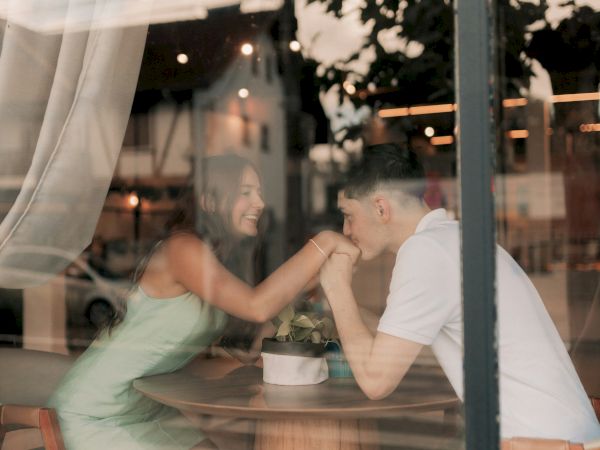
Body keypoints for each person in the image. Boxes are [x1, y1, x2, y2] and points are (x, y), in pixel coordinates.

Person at [48, 154, 358, 450]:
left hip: (147, 406)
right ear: (208, 201)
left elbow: (247, 338)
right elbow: (257, 305)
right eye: (245, 192)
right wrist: (324, 242)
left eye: (259, 192)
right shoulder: (182, 248)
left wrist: (320, 277)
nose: (260, 203)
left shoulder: (215, 260)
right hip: (95, 411)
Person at [319, 143, 600, 442]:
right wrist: (333, 306)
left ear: (380, 208)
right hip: (556, 435)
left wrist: (337, 289)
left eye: (348, 215)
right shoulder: (452, 239)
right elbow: (399, 339)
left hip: (540, 443)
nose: (346, 230)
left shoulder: (426, 252)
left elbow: (376, 381)